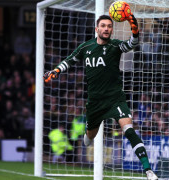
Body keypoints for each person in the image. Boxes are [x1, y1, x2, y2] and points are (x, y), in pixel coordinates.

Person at [44, 14, 158, 180]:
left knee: (129, 130)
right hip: (95, 103)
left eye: (109, 26)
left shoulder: (115, 46)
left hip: (115, 99)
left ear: (112, 29)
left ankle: (148, 171)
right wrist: (56, 71)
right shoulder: (86, 47)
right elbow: (69, 60)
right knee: (89, 137)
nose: (106, 29)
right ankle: (88, 134)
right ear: (97, 29)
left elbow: (132, 43)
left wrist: (133, 23)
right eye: (103, 26)